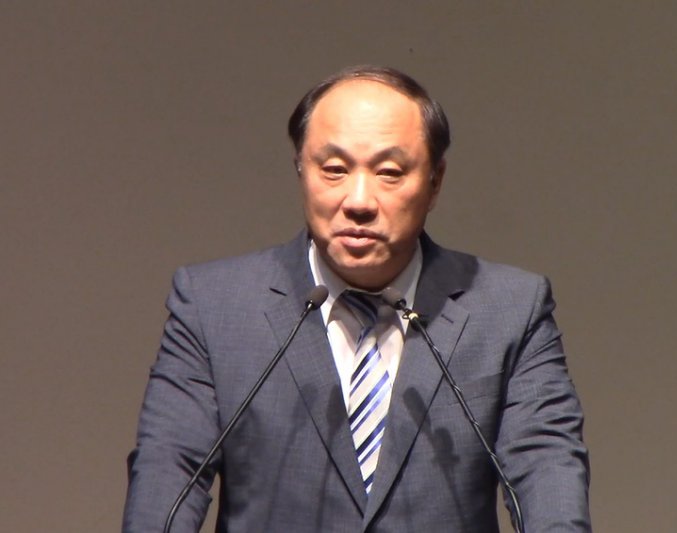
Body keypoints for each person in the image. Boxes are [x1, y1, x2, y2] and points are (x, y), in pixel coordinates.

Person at [123, 65, 591, 532]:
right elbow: (168, 474)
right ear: (301, 170)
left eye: (389, 172)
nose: (359, 201)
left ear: (435, 182)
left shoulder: (511, 310)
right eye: (334, 170)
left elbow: (547, 473)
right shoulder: (213, 306)